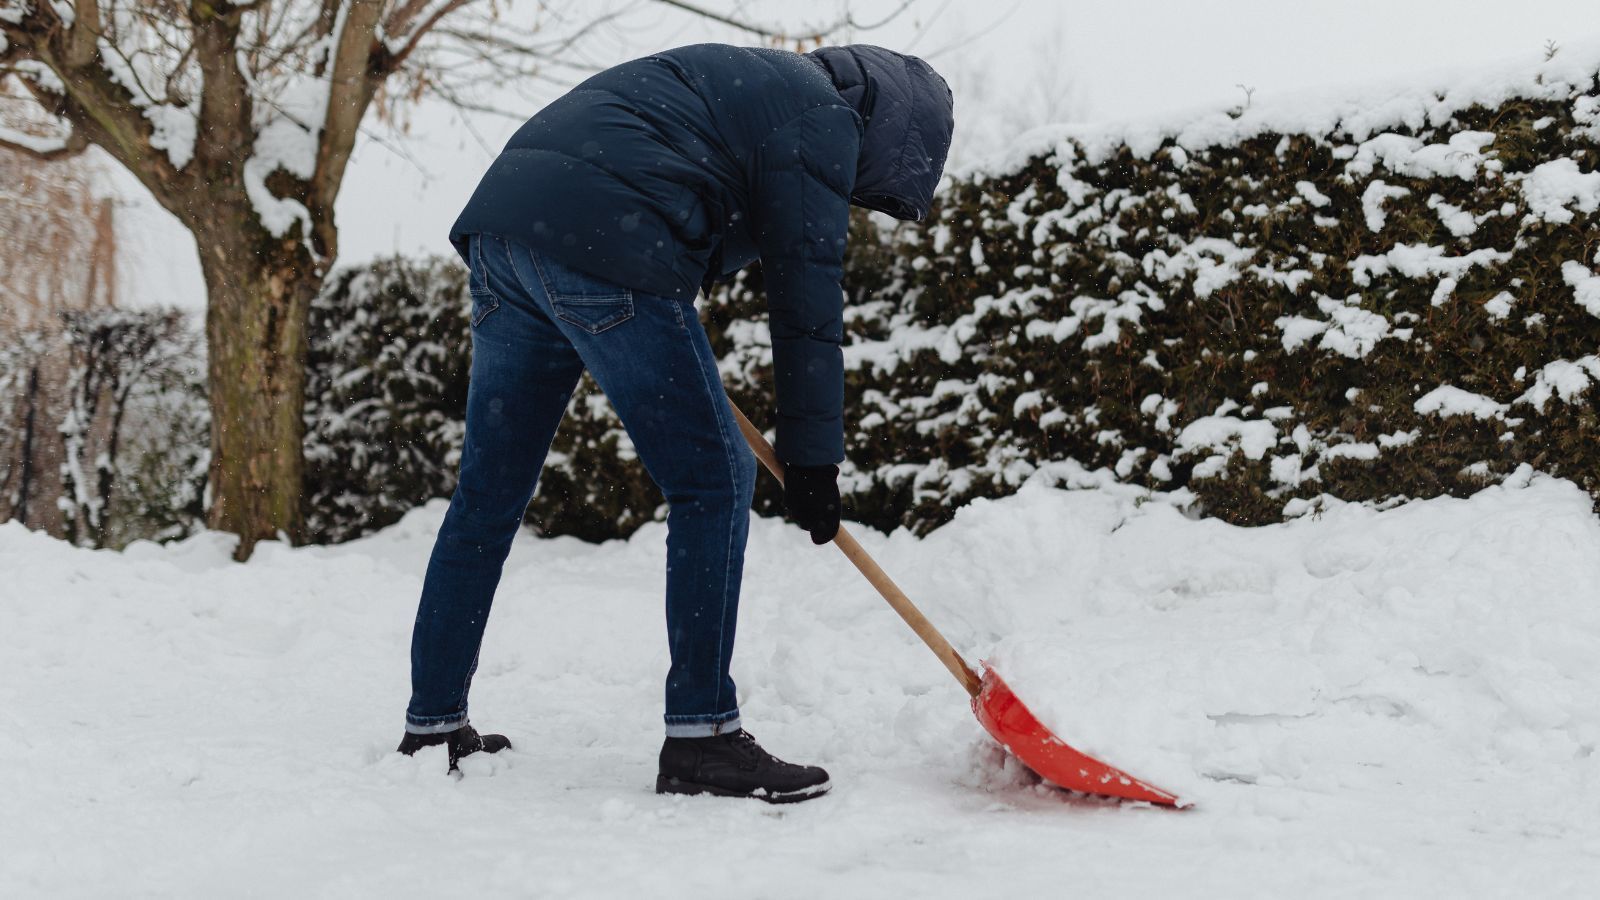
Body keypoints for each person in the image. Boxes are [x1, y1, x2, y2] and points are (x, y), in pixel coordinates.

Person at [397, 42, 954, 804]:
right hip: (604, 238)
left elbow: (691, 212)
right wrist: (814, 461)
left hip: (506, 236)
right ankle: (703, 738)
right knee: (714, 480)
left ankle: (432, 725)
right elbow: (807, 304)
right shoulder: (823, 119)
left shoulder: (756, 84)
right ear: (891, 130)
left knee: (487, 498)